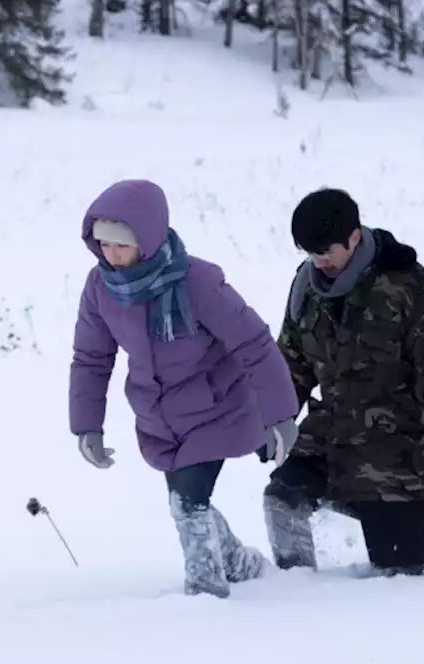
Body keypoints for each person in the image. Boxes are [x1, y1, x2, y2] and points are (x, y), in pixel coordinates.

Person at [68, 179, 300, 599]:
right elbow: (91, 359)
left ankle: (206, 590)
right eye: (103, 244)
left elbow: (254, 344)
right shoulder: (101, 288)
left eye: (122, 245)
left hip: (220, 407)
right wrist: (88, 426)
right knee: (187, 500)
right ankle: (238, 562)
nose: (111, 255)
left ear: (149, 238)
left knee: (188, 503)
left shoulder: (198, 282)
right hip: (160, 417)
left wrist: (281, 416)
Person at [264, 188, 424, 577]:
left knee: (399, 573)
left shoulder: (410, 287)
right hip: (330, 436)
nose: (318, 262)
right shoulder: (306, 288)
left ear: (354, 237)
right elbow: (291, 362)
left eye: (326, 252)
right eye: (310, 253)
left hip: (398, 455)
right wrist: (272, 420)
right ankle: (296, 592)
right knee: (282, 500)